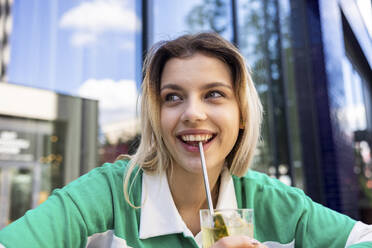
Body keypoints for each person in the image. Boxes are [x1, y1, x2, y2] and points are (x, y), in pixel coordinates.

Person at [0, 32, 371, 248]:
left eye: (214, 94)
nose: (192, 113)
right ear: (155, 116)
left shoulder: (271, 202)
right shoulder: (108, 196)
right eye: (173, 97)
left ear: (241, 115)